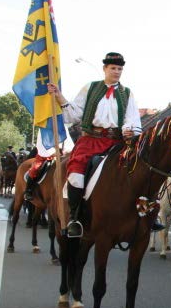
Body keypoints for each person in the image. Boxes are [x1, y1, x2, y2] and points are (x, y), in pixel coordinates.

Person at [48, 51, 164, 237]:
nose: (117, 72)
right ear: (105, 69)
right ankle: (75, 217)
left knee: (142, 170)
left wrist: (129, 130)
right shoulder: (90, 88)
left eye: (120, 69)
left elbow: (132, 120)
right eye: (113, 68)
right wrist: (59, 96)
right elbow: (75, 113)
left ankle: (147, 213)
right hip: (90, 140)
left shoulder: (127, 93)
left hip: (116, 142)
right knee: (76, 175)